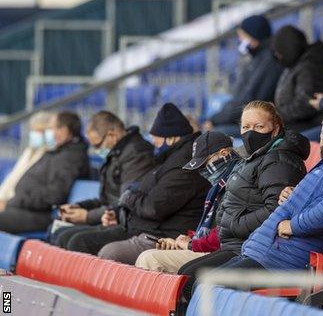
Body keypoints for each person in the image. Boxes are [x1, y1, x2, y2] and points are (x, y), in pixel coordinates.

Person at [176, 100, 309, 303]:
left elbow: (276, 209)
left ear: (275, 129)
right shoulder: (254, 157)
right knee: (186, 276)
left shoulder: (279, 160)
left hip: (249, 245)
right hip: (234, 242)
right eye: (245, 127)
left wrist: (235, 224)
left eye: (259, 127)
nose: (250, 133)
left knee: (193, 281)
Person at [220, 111, 323, 271]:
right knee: (204, 284)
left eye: (321, 139)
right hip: (268, 252)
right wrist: (296, 195)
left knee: (208, 287)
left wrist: (294, 226)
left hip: (279, 259)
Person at [65, 103, 210, 264]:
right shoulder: (168, 160)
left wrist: (127, 199)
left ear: (171, 138)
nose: (154, 145)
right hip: (143, 227)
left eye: (156, 142)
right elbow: (139, 194)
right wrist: (120, 211)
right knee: (67, 236)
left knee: (97, 248)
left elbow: (153, 207)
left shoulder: (182, 165)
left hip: (160, 235)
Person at [135, 131, 239, 273]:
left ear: (224, 153)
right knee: (148, 255)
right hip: (207, 248)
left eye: (205, 164)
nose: (203, 171)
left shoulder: (237, 181)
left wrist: (191, 244)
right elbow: (208, 229)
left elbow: (227, 231)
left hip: (225, 252)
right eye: (199, 167)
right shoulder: (216, 187)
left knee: (150, 259)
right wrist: (186, 239)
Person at [51, 111, 154, 248]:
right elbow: (107, 198)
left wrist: (87, 216)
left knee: (75, 241)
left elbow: (126, 202)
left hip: (127, 224)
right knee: (58, 232)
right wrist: (80, 207)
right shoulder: (115, 154)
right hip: (110, 217)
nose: (95, 150)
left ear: (112, 135)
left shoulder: (137, 153)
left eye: (98, 145)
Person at [0, 111, 89, 233]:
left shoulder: (69, 157)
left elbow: (54, 195)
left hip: (41, 215)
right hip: (25, 207)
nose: (49, 133)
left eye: (51, 128)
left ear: (64, 130)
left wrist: (19, 199)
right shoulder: (57, 152)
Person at [204, 15, 284, 136]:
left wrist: (215, 120)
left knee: (214, 134)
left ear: (254, 36)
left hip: (260, 121)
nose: (240, 40)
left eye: (242, 36)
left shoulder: (268, 61)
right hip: (250, 117)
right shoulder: (258, 58)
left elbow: (249, 99)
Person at [272, 25, 323, 132]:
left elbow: (305, 105)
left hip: (311, 125)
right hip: (298, 124)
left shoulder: (310, 67)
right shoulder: (298, 63)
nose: (278, 57)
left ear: (288, 49)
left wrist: (274, 116)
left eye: (279, 53)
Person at [0, 112, 53, 202]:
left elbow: (29, 184)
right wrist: (1, 197)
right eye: (33, 130)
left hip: (19, 201)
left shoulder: (49, 155)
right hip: (7, 199)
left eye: (40, 131)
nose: (35, 134)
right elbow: (13, 177)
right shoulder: (29, 151)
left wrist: (7, 202)